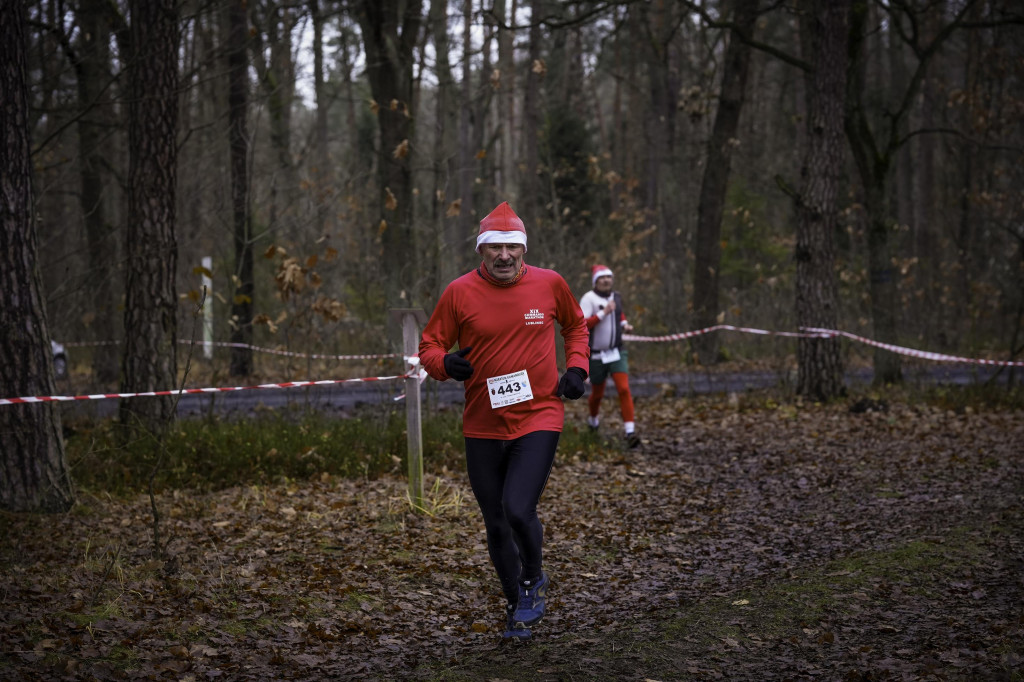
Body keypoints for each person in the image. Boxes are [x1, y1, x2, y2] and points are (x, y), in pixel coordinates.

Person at [419, 201, 590, 640]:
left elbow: (575, 327)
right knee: (495, 522)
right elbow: (430, 346)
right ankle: (516, 605)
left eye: (512, 246)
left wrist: (576, 368)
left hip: (539, 415)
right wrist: (444, 365)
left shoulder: (550, 285)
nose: (504, 255)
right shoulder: (459, 292)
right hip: (482, 423)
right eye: (495, 246)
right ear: (482, 250)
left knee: (518, 508)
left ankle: (533, 578)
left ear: (523, 249)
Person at [578, 264, 640, 448]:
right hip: (596, 355)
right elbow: (582, 325)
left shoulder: (616, 297)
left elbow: (619, 314)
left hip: (617, 352)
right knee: (597, 394)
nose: (606, 281)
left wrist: (625, 325)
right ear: (595, 282)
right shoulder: (588, 299)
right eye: (602, 278)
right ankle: (593, 421)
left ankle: (630, 432)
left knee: (623, 389)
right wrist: (603, 313)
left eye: (608, 278)